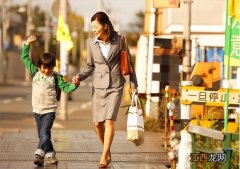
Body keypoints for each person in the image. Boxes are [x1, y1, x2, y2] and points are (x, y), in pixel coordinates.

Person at [76, 11, 138, 168]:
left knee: (109, 120)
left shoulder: (120, 41)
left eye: (95, 26)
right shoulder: (91, 43)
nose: (93, 29)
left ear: (105, 25)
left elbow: (129, 63)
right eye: (92, 27)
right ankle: (107, 150)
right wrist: (79, 77)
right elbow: (89, 65)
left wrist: (133, 84)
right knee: (98, 123)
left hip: (115, 86)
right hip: (98, 87)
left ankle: (104, 156)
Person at [21, 35, 80, 166]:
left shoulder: (56, 77)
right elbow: (25, 58)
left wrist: (75, 84)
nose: (47, 70)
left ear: (53, 67)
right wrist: (27, 44)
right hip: (36, 109)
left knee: (44, 133)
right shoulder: (34, 72)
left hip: (49, 110)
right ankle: (51, 155)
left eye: (50, 68)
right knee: (42, 135)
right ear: (39, 66)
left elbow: (66, 87)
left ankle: (38, 155)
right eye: (44, 67)